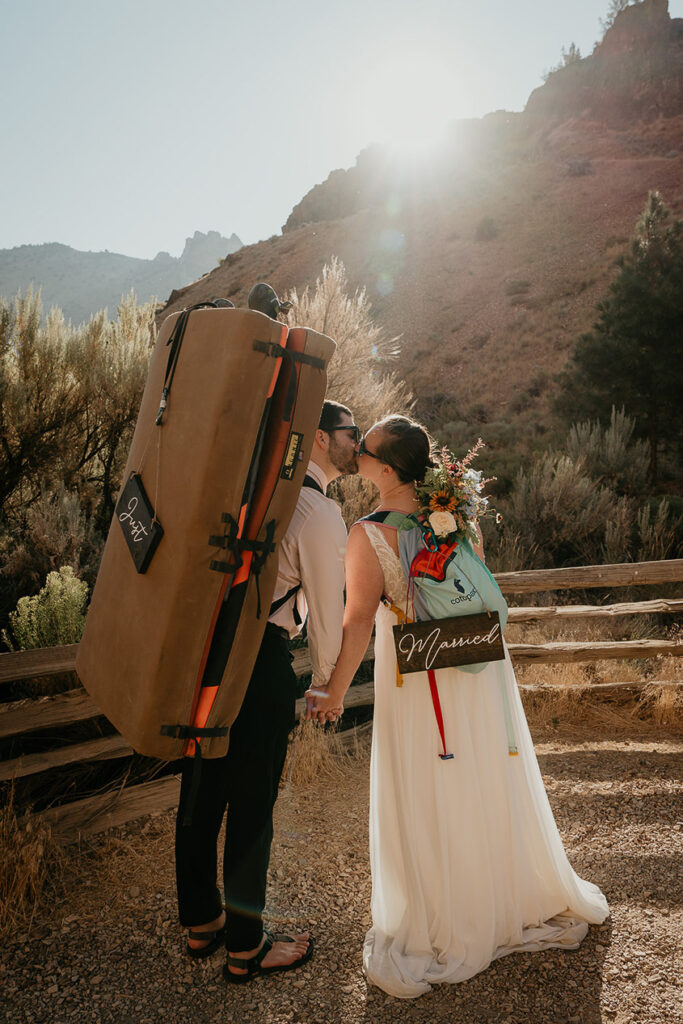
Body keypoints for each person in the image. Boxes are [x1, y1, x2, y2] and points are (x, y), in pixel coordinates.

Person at [307, 415, 609, 999]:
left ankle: (449, 917)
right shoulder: (450, 515)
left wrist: (337, 691)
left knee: (429, 786)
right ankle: (499, 900)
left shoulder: (369, 533)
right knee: (479, 776)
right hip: (471, 667)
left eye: (364, 449)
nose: (357, 454)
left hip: (418, 680)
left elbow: (357, 621)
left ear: (387, 469)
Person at [175, 399, 359, 983]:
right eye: (351, 433)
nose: (357, 442)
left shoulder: (253, 491)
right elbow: (330, 612)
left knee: (202, 790)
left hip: (207, 655)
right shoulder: (317, 509)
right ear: (322, 441)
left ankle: (203, 923)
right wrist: (328, 682)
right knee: (253, 804)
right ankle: (248, 947)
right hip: (261, 663)